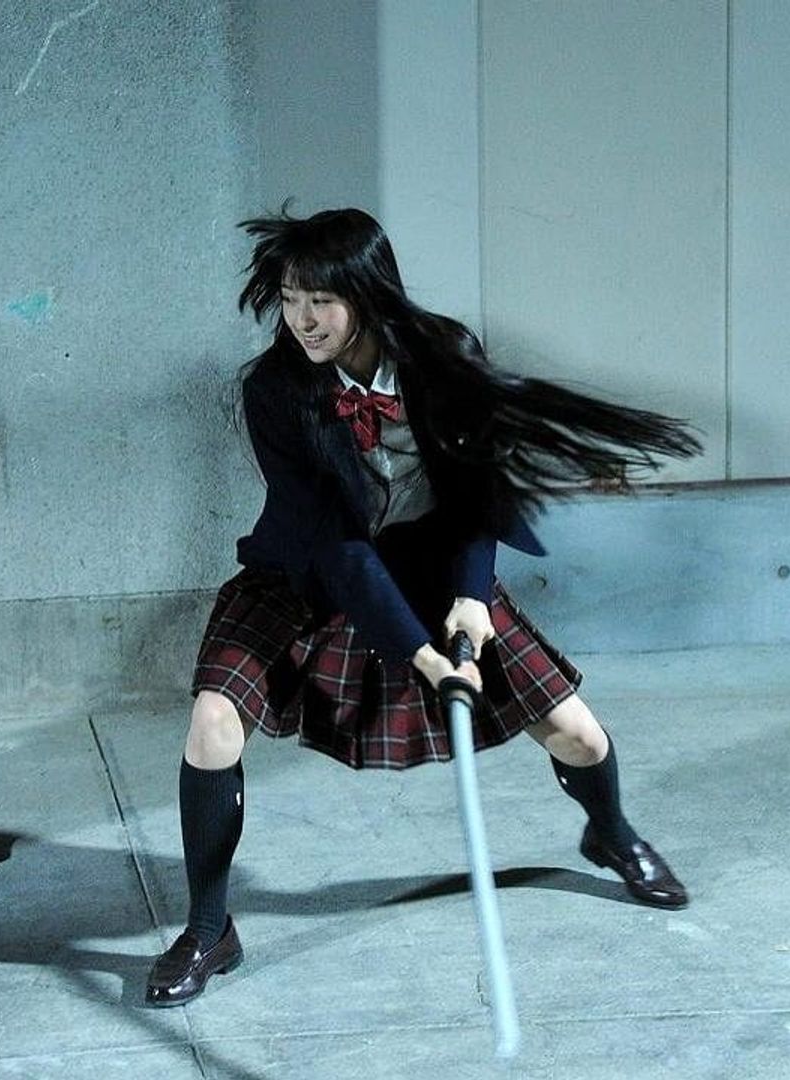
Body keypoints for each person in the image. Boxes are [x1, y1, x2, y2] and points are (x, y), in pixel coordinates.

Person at [145, 207, 701, 1008]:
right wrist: (422, 656)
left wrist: (472, 598)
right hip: (307, 573)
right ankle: (208, 929)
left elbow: (476, 487)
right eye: (291, 299)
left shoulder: (445, 359)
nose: (302, 319)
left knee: (579, 736)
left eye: (321, 301)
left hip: (429, 570)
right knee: (211, 725)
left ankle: (610, 833)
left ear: (367, 294)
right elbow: (336, 544)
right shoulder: (276, 389)